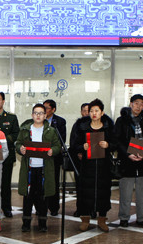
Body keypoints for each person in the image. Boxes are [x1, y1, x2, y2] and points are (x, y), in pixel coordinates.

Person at [71, 98, 115, 233]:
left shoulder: (108, 127)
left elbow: (116, 143)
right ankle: (85, 220)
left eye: (97, 111)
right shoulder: (82, 127)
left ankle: (102, 220)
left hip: (103, 166)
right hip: (87, 166)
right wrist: (82, 147)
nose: (94, 113)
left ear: (102, 113)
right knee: (85, 193)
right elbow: (74, 145)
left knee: (103, 193)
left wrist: (108, 145)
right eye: (91, 111)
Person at [17, 103, 61, 232]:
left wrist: (53, 150)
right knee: (28, 197)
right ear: (32, 115)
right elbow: (18, 143)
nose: (38, 115)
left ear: (45, 115)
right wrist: (20, 148)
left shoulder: (51, 131)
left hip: (44, 169)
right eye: (36, 113)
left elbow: (58, 146)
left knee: (43, 197)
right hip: (29, 169)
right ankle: (26, 223)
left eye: (41, 113)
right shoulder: (25, 129)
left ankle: (42, 223)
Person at [114, 94, 143, 229]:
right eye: (136, 103)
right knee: (125, 192)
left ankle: (142, 218)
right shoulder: (121, 121)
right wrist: (128, 153)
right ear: (131, 104)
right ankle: (124, 218)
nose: (138, 106)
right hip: (127, 161)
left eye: (141, 104)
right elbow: (117, 140)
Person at [0, 92, 20, 218]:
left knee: (6, 184)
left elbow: (16, 134)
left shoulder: (11, 118)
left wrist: (1, 139)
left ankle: (7, 208)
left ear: (3, 101)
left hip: (6, 155)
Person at [43, 99, 67, 216]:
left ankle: (53, 207)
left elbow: (62, 139)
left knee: (54, 183)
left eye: (47, 108)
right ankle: (42, 207)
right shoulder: (39, 120)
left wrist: (51, 149)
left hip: (54, 157)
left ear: (53, 109)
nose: (44, 110)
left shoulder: (60, 122)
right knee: (41, 183)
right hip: (41, 157)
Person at [69, 102, 90, 215]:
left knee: (91, 187)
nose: (86, 113)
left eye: (88, 111)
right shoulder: (77, 125)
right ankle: (80, 209)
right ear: (81, 112)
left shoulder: (96, 124)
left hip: (93, 160)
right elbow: (73, 143)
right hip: (80, 160)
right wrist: (79, 151)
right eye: (84, 111)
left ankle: (92, 210)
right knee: (80, 186)